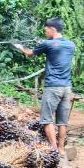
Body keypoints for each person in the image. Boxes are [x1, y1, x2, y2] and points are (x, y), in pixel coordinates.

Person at [16, 18, 75, 156]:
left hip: (53, 87)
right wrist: (42, 43)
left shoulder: (47, 44)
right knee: (62, 121)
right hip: (67, 88)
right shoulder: (71, 44)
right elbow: (57, 47)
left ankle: (53, 149)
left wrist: (20, 47)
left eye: (46, 30)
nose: (45, 32)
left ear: (52, 29)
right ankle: (61, 149)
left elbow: (29, 53)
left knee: (47, 118)